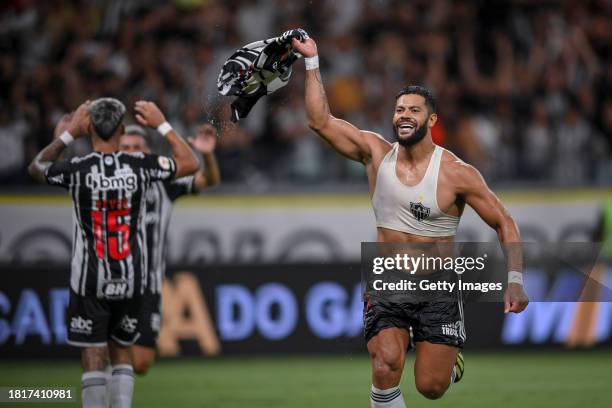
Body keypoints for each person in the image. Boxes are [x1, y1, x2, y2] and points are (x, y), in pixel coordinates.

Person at [291, 35, 529, 407]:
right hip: (387, 281)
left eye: (413, 110)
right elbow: (319, 121)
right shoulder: (374, 153)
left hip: (438, 288)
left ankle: (448, 364)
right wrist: (311, 61)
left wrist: (514, 281)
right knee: (386, 364)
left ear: (431, 119)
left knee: (430, 388)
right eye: (399, 109)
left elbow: (505, 222)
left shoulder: (456, 173)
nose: (403, 115)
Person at [28, 98, 199, 408]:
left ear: (89, 127)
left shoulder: (77, 170)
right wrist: (161, 123)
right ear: (122, 130)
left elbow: (36, 167)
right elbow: (190, 163)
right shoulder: (140, 167)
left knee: (94, 354)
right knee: (122, 352)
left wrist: (67, 135)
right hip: (133, 277)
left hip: (89, 279)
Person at [119, 121, 220, 375]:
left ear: (148, 153)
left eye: (137, 147)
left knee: (140, 364)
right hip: (110, 282)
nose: (131, 152)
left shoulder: (162, 183)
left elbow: (208, 180)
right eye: (126, 147)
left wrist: (206, 155)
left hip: (148, 287)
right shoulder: (103, 181)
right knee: (110, 352)